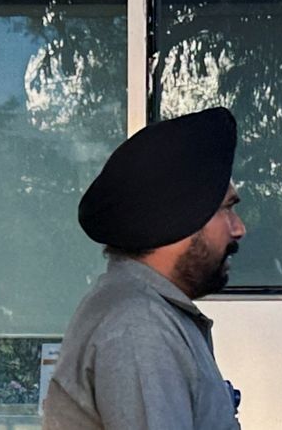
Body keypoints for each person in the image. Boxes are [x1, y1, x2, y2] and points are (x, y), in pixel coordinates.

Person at [42, 107, 245, 430]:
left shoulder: (147, 312)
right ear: (181, 218)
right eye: (226, 209)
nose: (238, 229)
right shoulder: (140, 326)